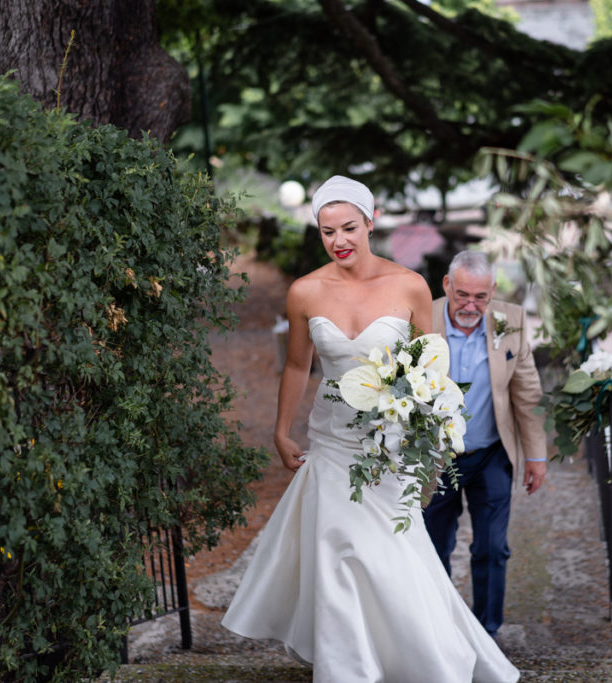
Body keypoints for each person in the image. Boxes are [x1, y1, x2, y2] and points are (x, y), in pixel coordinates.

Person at [222, 176, 519, 682]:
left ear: (371, 221)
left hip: (392, 445)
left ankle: (422, 655)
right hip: (333, 441)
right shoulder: (305, 291)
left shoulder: (409, 285)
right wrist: (280, 429)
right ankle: (347, 667)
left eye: (349, 228)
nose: (339, 240)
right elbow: (298, 366)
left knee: (394, 551)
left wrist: (431, 421)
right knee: (338, 548)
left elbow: (432, 363)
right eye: (327, 231)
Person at [424, 250, 547, 638]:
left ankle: (487, 633)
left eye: (481, 297)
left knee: (492, 548)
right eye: (462, 295)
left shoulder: (510, 321)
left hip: (491, 453)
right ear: (447, 285)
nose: (471, 305)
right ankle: (437, 631)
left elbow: (526, 391)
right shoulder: (420, 318)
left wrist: (536, 454)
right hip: (434, 457)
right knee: (432, 548)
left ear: (493, 291)